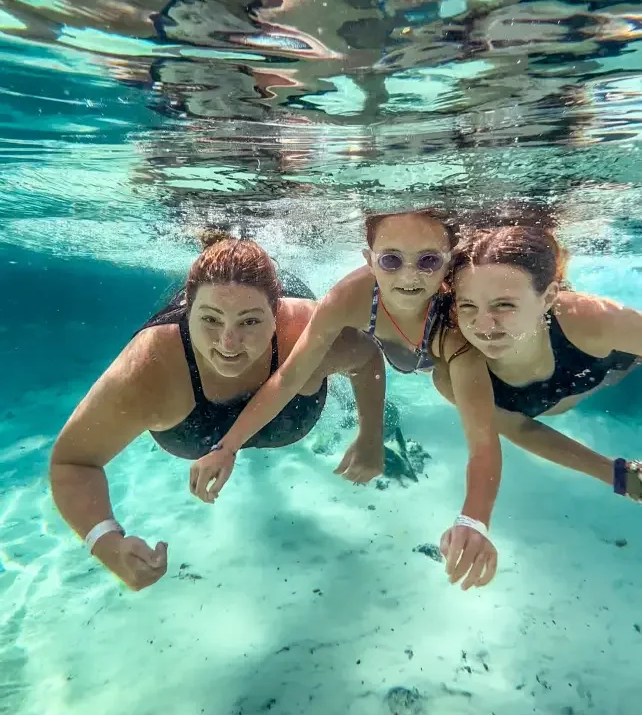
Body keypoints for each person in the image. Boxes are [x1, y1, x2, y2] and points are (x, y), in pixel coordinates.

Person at [187, 208, 503, 592]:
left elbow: (482, 442)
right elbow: (289, 377)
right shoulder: (350, 297)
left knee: (458, 391)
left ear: (449, 261)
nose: (409, 276)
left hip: (443, 361)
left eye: (428, 261)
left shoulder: (455, 329)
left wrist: (473, 521)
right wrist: (227, 447)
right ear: (369, 259)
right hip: (401, 348)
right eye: (391, 260)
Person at [50, 231, 386, 591]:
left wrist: (371, 435)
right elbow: (72, 463)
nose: (228, 343)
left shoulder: (304, 330)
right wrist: (107, 544)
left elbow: (366, 358)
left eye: (250, 322)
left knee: (316, 356)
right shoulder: (150, 367)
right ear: (187, 310)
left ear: (276, 315)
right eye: (210, 320)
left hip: (282, 323)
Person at [435, 223, 642, 499]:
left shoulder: (586, 319)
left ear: (548, 298)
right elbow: (521, 428)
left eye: (504, 304)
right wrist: (618, 475)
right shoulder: (455, 375)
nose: (483, 325)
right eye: (468, 306)